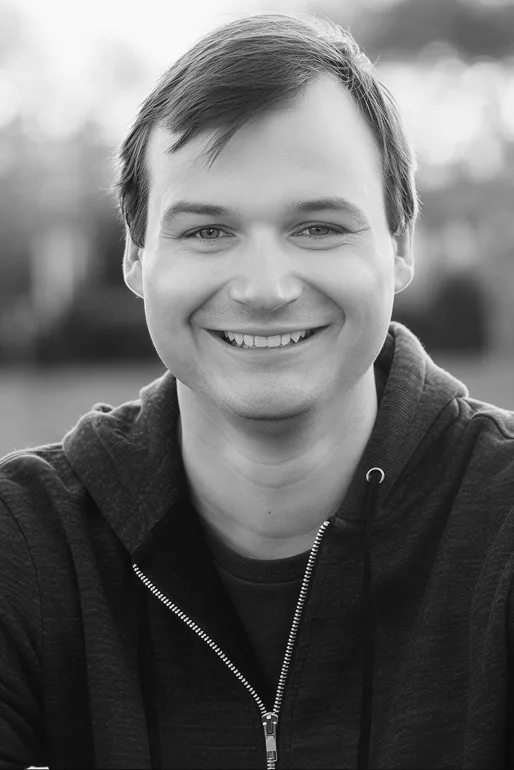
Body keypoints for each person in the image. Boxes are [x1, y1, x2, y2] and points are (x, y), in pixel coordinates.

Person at [1, 11, 513, 770]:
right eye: (207, 231)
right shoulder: (23, 547)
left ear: (400, 244)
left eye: (318, 227)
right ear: (138, 257)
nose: (266, 289)